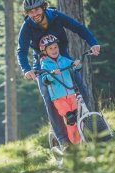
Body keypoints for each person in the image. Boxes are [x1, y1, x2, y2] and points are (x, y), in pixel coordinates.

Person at [17, 0, 101, 151]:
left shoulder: (56, 16)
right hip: (42, 65)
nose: (34, 14)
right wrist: (26, 69)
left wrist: (93, 42)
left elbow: (78, 28)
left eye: (36, 10)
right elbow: (21, 51)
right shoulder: (27, 26)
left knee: (81, 89)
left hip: (63, 60)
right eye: (30, 11)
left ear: (43, 7)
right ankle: (63, 141)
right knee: (47, 96)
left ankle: (87, 127)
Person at [39, 34, 81, 147]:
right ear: (45, 51)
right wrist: (52, 74)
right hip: (58, 97)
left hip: (71, 93)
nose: (54, 50)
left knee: (78, 116)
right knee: (70, 118)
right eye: (50, 48)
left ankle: (80, 140)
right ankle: (72, 142)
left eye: (55, 47)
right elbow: (45, 79)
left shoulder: (64, 60)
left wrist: (76, 64)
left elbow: (74, 66)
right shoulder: (45, 64)